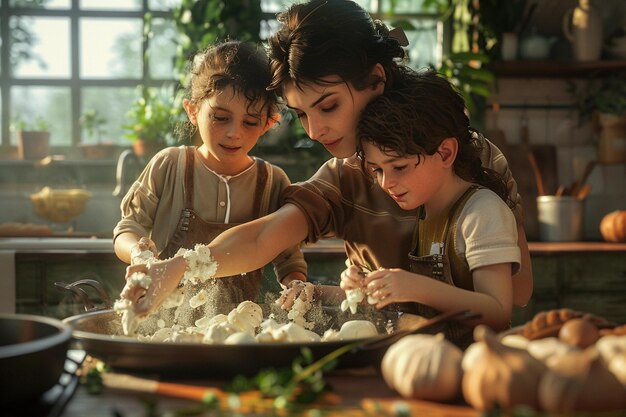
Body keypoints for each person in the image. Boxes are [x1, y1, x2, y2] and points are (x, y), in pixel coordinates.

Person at [122, 0, 531, 317]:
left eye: (329, 106)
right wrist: (175, 268)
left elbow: (518, 291)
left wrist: (419, 285)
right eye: (302, 114)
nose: (315, 131)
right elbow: (263, 238)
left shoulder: (475, 157)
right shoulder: (342, 177)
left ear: (375, 79)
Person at [113, 41, 307, 320]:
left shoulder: (272, 182)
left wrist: (296, 284)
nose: (234, 133)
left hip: (238, 329)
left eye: (250, 122)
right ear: (193, 111)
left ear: (268, 122)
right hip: (162, 326)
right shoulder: (169, 165)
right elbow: (127, 228)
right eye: (220, 117)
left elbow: (288, 257)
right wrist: (139, 254)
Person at [341, 69, 519, 347]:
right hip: (431, 358)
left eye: (399, 167)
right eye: (377, 169)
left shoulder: (482, 213)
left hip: (479, 365)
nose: (387, 182)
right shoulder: (422, 212)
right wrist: (367, 286)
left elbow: (497, 312)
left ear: (445, 153)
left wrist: (416, 287)